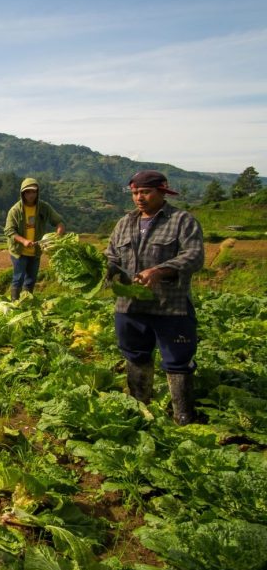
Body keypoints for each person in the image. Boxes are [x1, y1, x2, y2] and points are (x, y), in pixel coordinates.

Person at [105, 170, 204, 425]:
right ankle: (141, 410)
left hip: (169, 305)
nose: (139, 197)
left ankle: (183, 416)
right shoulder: (125, 223)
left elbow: (193, 256)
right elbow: (112, 257)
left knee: (177, 360)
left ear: (162, 191)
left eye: (146, 192)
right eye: (135, 193)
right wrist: (104, 270)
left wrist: (160, 271)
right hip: (130, 305)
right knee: (135, 355)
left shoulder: (182, 221)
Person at [4, 177, 66, 299]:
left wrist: (58, 235)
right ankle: (14, 304)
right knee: (19, 278)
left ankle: (27, 302)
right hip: (19, 251)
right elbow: (9, 231)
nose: (31, 195)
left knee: (31, 279)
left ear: (37, 192)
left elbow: (59, 222)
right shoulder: (15, 210)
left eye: (33, 191)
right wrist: (24, 241)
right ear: (23, 193)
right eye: (28, 192)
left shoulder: (44, 207)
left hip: (36, 251)